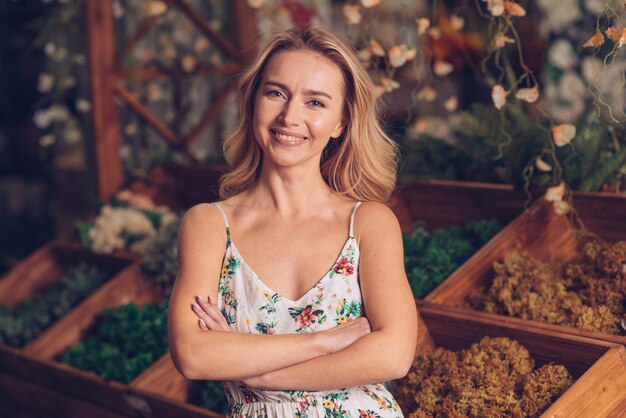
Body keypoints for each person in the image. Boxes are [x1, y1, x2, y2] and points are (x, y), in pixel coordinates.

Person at [168, 25, 418, 417]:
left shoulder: (369, 223)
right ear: (253, 104)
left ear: (340, 123)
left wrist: (257, 374)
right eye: (276, 93)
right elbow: (194, 355)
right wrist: (328, 342)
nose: (289, 116)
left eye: (315, 102)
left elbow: (394, 354)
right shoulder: (209, 226)